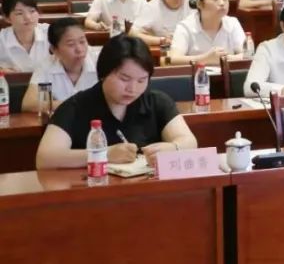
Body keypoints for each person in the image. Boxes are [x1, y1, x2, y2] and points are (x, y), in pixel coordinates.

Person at [35, 36, 198, 169]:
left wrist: (173, 148)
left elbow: (189, 141)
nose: (132, 88)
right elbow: (46, 157)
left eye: (141, 80)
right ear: (104, 73)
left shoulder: (156, 101)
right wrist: (104, 154)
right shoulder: (76, 106)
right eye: (124, 79)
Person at [23, 17, 98, 113]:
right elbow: (28, 104)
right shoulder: (46, 66)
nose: (79, 49)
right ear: (54, 50)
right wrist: (71, 104)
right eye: (71, 44)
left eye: (82, 42)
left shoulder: (99, 60)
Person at [168, 0, 246, 65]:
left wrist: (224, 59)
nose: (222, 3)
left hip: (226, 73)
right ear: (200, 4)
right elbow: (172, 59)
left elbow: (247, 54)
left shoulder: (233, 23)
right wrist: (205, 59)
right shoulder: (185, 27)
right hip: (197, 73)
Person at [0, 0, 51, 72]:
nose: (28, 17)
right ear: (7, 18)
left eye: (32, 11)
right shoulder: (2, 39)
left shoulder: (50, 33)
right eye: (19, 13)